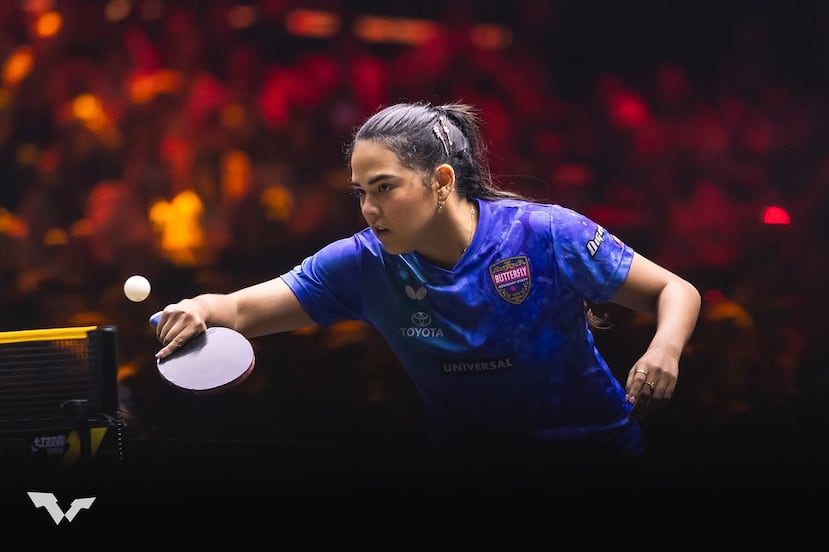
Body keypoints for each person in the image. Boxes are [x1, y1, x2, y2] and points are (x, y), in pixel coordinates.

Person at [152, 101, 701, 472]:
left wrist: (665, 351)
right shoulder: (364, 264)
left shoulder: (545, 233)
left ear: (441, 180)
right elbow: (239, 310)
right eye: (360, 192)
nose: (369, 209)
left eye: (384, 188)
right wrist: (198, 308)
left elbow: (675, 290)